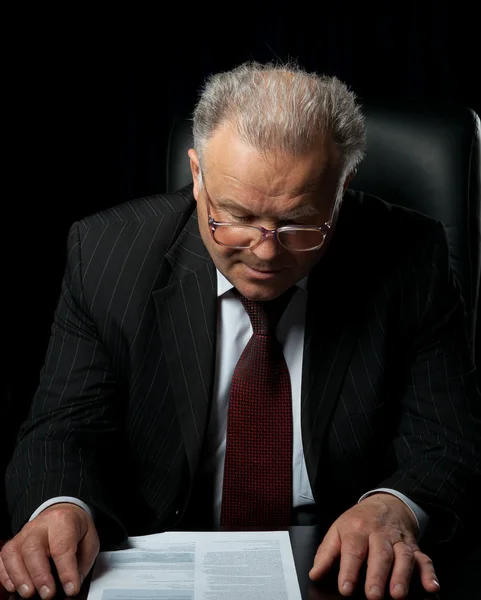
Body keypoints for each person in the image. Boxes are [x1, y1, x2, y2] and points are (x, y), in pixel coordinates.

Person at [1, 61, 480, 600]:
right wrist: (61, 505)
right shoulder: (106, 255)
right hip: (163, 560)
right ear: (197, 174)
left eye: (300, 222)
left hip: (340, 568)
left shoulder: (411, 258)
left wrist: (392, 506)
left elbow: (445, 441)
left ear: (342, 188)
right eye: (236, 216)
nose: (266, 252)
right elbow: (62, 431)